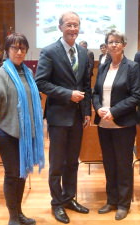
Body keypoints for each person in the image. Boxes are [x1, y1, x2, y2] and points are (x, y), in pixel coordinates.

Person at [35, 11, 91, 224]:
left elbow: (86, 85)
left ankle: (69, 198)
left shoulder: (84, 53)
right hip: (58, 117)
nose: (73, 29)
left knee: (73, 163)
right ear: (60, 27)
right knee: (57, 163)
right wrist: (68, 94)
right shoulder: (49, 52)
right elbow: (41, 82)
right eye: (69, 25)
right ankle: (56, 203)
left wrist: (86, 111)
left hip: (77, 117)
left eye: (76, 25)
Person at [0, 33, 44, 225]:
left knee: (21, 175)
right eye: (14, 48)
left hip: (25, 135)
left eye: (22, 48)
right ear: (7, 51)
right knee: (12, 176)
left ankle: (19, 213)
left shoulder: (28, 73)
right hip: (7, 134)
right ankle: (13, 217)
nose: (19, 52)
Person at [92, 30, 140, 220]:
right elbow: (96, 93)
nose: (113, 45)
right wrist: (98, 108)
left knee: (123, 165)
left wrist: (114, 111)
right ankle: (111, 200)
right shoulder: (104, 67)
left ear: (123, 45)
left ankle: (123, 203)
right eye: (110, 42)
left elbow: (137, 95)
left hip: (123, 124)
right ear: (106, 46)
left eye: (117, 42)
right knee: (109, 164)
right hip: (104, 125)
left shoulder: (132, 67)